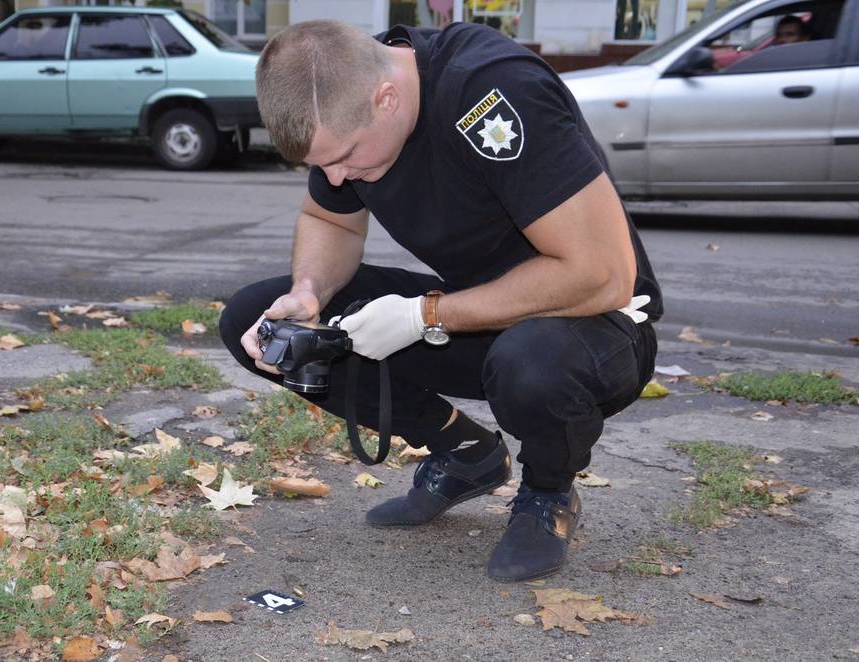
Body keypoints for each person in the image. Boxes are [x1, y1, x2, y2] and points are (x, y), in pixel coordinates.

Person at [219, 19, 663, 582]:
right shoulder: (347, 101)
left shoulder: (493, 91)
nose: (335, 177)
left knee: (531, 361)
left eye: (344, 156)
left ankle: (548, 493)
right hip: (478, 319)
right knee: (262, 326)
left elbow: (602, 276)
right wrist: (309, 292)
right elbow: (329, 220)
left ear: (386, 98)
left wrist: (422, 315)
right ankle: (465, 452)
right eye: (320, 166)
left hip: (596, 325)